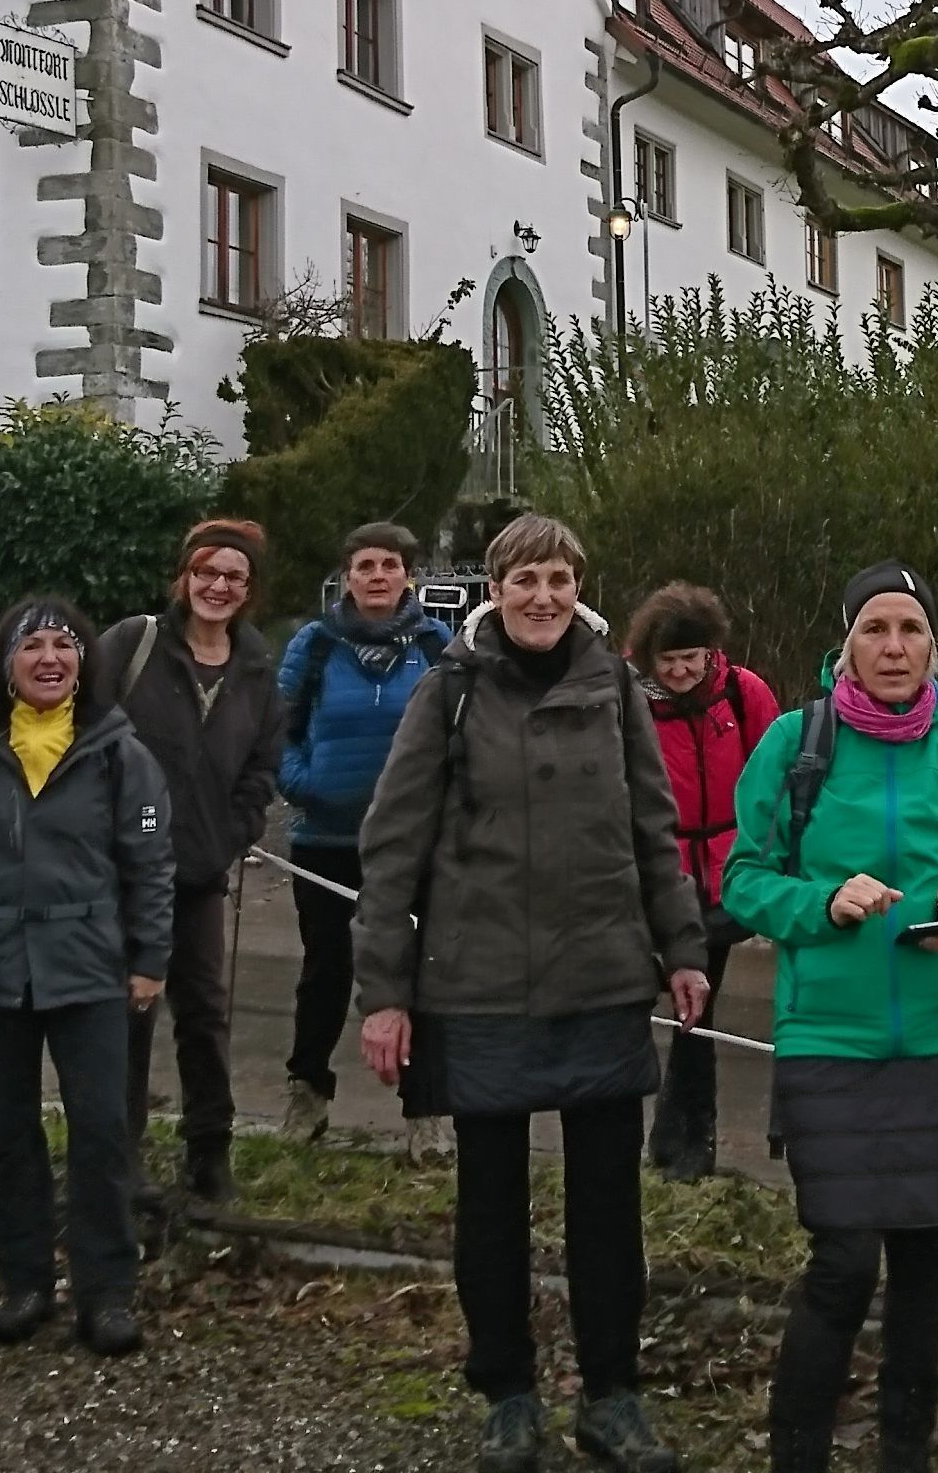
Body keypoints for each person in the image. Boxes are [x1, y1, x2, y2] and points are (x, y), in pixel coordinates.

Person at [354, 514, 710, 1473]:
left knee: (607, 1209)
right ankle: (507, 1394)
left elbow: (653, 826)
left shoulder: (616, 690)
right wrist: (383, 991)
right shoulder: (449, 694)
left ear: (578, 587)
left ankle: (611, 1396)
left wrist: (682, 946)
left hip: (599, 974)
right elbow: (393, 849)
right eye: (524, 582)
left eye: (558, 579)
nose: (542, 598)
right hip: (477, 986)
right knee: (492, 1209)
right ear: (495, 592)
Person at [721, 562, 938, 1473]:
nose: (894, 647)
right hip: (832, 1038)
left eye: (910, 630)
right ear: (846, 646)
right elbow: (744, 878)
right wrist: (822, 903)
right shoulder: (796, 744)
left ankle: (905, 1453)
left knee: (923, 1264)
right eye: (875, 630)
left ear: (935, 645)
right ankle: (798, 1454)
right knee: (844, 1260)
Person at [0, 598, 175, 1358]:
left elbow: (149, 863)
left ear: (85, 662)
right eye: (33, 646)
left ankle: (107, 1291)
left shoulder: (120, 752)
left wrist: (149, 959)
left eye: (65, 646)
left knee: (102, 1132)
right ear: (5, 663)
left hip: (91, 967)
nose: (50, 658)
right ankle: (24, 1282)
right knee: (8, 1133)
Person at [97, 519, 283, 1207]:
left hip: (201, 875)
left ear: (250, 588)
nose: (218, 586)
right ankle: (119, 1161)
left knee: (205, 1014)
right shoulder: (132, 645)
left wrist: (231, 833)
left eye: (234, 576)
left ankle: (209, 1155)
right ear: (185, 576)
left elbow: (262, 768)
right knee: (126, 1016)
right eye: (207, 571)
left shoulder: (257, 669)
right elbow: (84, 733)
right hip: (121, 871)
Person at [274, 523, 447, 1144]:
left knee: (418, 972)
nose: (378, 575)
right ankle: (307, 1096)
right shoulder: (314, 645)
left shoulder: (436, 646)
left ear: (409, 576)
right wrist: (305, 786)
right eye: (366, 565)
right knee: (326, 970)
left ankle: (425, 1111)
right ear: (346, 576)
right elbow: (279, 730)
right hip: (325, 841)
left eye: (390, 565)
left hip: (413, 846)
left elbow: (455, 734)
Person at [629, 581, 779, 1181]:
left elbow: (776, 780)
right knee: (635, 1011)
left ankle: (690, 1146)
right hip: (650, 879)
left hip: (721, 883)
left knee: (698, 1015)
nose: (683, 670)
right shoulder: (629, 701)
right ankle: (650, 1138)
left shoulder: (745, 695)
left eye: (692, 657)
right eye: (669, 661)